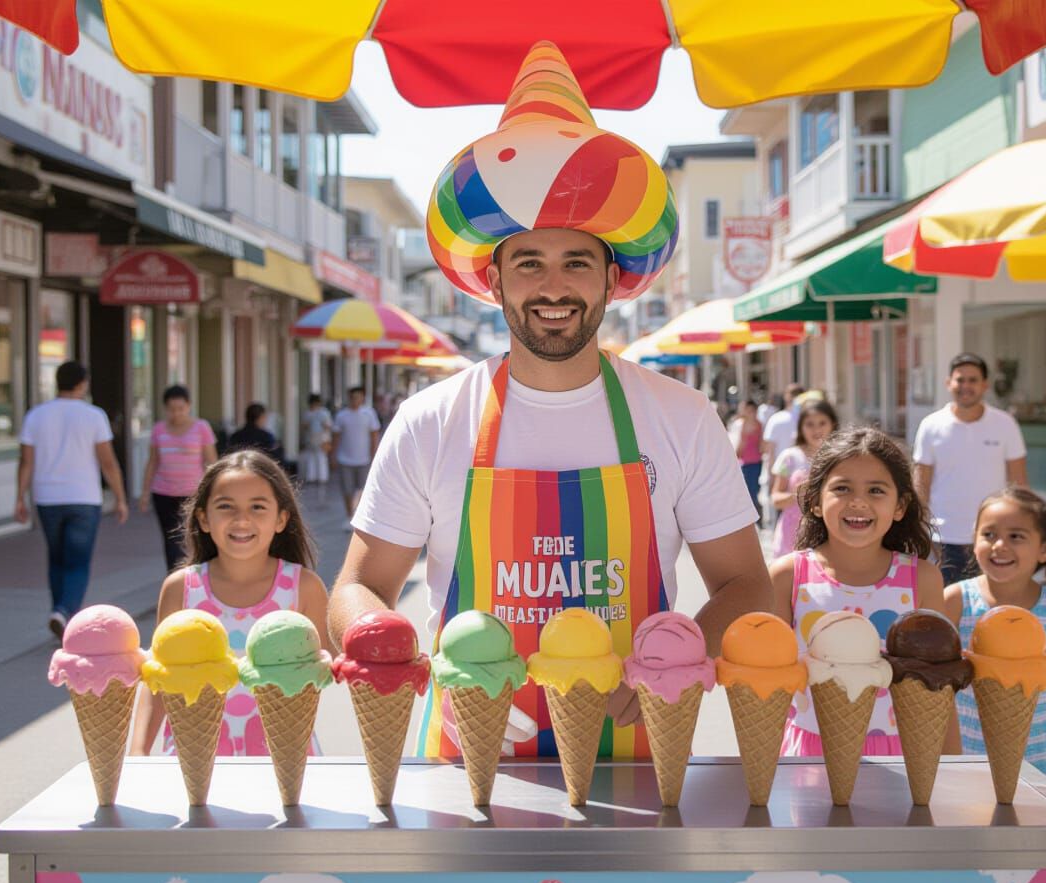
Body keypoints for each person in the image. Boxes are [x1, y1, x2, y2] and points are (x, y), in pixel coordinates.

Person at [328, 43, 771, 762]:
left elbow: (747, 583)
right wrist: (383, 643)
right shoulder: (431, 420)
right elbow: (360, 584)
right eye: (528, 263)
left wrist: (681, 652)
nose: (553, 286)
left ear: (610, 280)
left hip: (638, 749)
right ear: (494, 283)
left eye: (576, 263)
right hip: (469, 754)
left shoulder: (680, 417)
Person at [130, 450, 329, 756]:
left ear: (281, 519)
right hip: (191, 760)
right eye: (226, 507)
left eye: (257, 507)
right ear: (204, 519)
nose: (241, 520)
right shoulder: (180, 589)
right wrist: (138, 752)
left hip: (286, 763)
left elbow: (327, 669)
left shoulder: (304, 587)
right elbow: (159, 677)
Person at [768, 427, 946, 757]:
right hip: (806, 752)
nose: (858, 502)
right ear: (815, 501)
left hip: (898, 753)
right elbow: (769, 686)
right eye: (842, 488)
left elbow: (937, 685)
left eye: (876, 490)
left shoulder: (923, 579)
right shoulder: (787, 576)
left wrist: (955, 766)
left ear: (900, 506)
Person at [945, 486, 1046, 784]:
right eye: (989, 534)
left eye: (1016, 536)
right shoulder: (956, 600)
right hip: (968, 753)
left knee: (1035, 829)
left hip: (1041, 754)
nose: (999, 545)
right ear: (974, 539)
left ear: (1044, 549)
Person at [14, 360, 129, 637]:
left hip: (47, 497)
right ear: (82, 384)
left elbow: (26, 462)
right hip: (83, 498)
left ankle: (59, 610)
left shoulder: (35, 416)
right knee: (78, 561)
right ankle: (65, 612)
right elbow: (108, 462)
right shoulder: (93, 415)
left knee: (56, 558)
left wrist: (20, 497)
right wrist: (121, 498)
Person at [914, 353, 1028, 585]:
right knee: (943, 612)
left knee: (991, 613)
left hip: (994, 539)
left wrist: (1019, 531)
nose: (965, 386)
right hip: (942, 538)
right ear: (949, 383)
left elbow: (1019, 483)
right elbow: (921, 483)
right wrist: (916, 530)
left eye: (973, 380)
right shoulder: (931, 425)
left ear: (985, 385)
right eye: (960, 380)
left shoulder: (1005, 424)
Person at [138, 384, 217, 570]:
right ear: (165, 408)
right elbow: (152, 462)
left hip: (193, 493)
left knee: (193, 535)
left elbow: (211, 461)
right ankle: (175, 578)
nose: (176, 413)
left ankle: (195, 574)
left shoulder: (201, 427)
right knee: (171, 538)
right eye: (172, 409)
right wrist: (144, 493)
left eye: (180, 409)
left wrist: (215, 490)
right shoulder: (159, 429)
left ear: (188, 406)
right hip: (163, 492)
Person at [769, 400, 839, 558]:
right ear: (801, 426)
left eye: (822, 423)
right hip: (791, 537)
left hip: (829, 537)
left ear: (833, 424)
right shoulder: (789, 457)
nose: (816, 429)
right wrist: (797, 495)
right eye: (810, 424)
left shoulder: (840, 458)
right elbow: (775, 499)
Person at [332, 386, 381, 518]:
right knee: (347, 490)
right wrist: (333, 456)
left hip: (364, 459)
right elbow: (336, 437)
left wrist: (374, 455)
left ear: (363, 398)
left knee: (364, 489)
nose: (355, 400)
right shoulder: (342, 415)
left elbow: (374, 435)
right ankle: (349, 515)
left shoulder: (369, 414)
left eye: (358, 397)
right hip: (345, 458)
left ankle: (359, 515)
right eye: (353, 397)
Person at [732, 400, 765, 519]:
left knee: (754, 489)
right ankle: (752, 515)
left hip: (756, 461)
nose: (751, 413)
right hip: (745, 462)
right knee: (747, 490)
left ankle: (756, 515)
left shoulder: (759, 425)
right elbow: (739, 444)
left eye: (753, 410)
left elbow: (762, 444)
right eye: (748, 410)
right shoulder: (741, 424)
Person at [299, 393, 333, 485]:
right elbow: (303, 426)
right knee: (311, 457)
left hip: (322, 438)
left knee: (321, 457)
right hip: (310, 438)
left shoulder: (324, 412)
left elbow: (328, 426)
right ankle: (311, 477)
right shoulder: (307, 413)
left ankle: (322, 477)